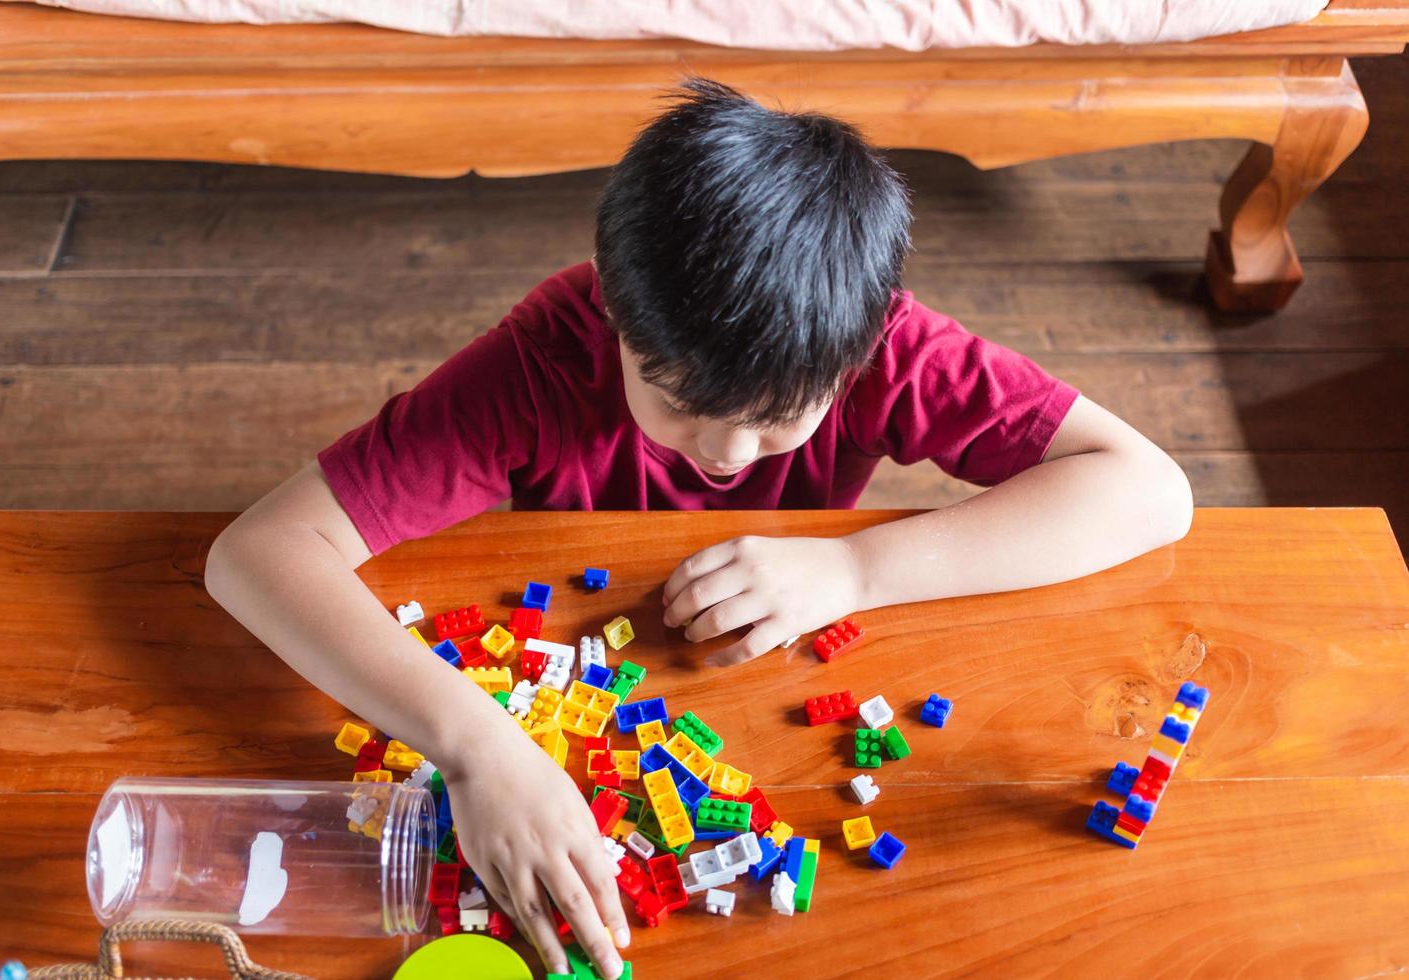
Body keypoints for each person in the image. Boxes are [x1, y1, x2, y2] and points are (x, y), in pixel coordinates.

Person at [205, 77, 1192, 978]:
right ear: (613, 304)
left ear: (857, 357)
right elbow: (257, 552)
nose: (724, 452)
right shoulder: (547, 356)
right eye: (676, 400)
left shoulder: (877, 338)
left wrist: (855, 568)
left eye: (777, 419)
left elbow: (1148, 489)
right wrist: (477, 742)